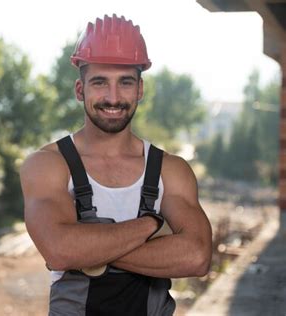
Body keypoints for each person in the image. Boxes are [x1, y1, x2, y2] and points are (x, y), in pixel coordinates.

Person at [20, 14, 212, 316]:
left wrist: (89, 251)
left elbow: (197, 257)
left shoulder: (170, 171)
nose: (113, 97)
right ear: (80, 90)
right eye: (99, 82)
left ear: (140, 89)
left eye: (125, 82)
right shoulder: (47, 165)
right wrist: (153, 225)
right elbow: (59, 250)